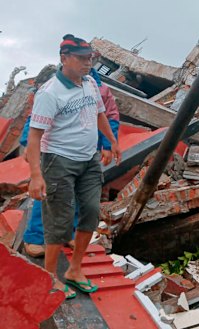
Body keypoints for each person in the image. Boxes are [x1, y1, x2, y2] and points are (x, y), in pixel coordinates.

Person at [27, 34, 121, 299]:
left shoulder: (90, 83)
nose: (87, 63)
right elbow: (33, 137)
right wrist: (36, 175)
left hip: (88, 159)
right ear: (64, 58)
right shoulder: (50, 93)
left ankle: (75, 270)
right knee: (59, 220)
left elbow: (100, 114)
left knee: (90, 211)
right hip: (58, 160)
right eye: (81, 59)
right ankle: (50, 278)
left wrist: (112, 142)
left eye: (89, 58)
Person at [21, 62, 120, 258]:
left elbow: (110, 117)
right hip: (56, 152)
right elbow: (35, 121)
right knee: (49, 195)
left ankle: (69, 233)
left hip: (85, 153)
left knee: (78, 196)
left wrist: (108, 146)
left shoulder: (99, 89)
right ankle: (35, 237)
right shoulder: (54, 86)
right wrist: (28, 144)